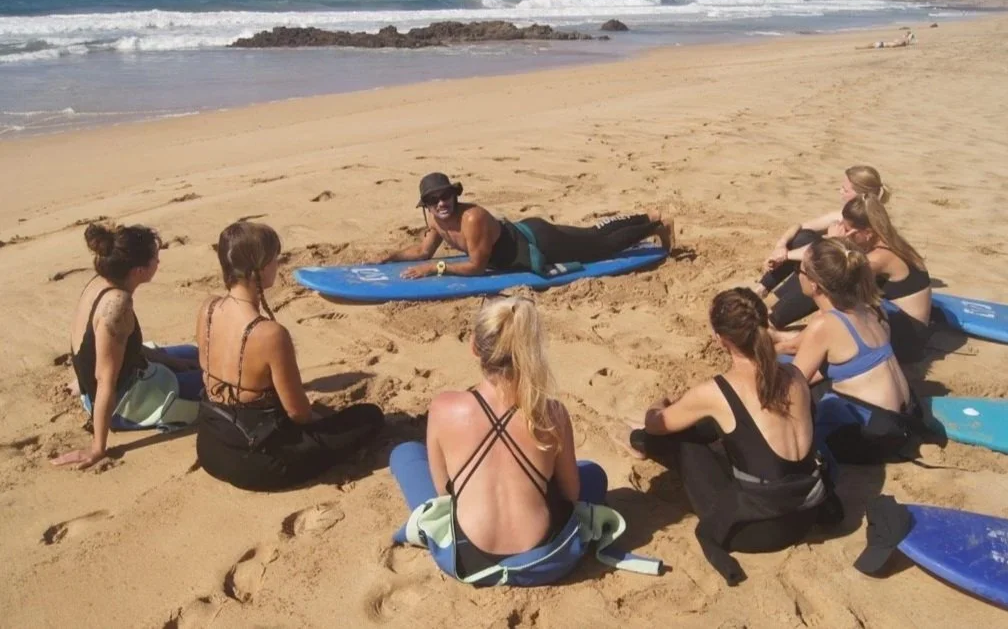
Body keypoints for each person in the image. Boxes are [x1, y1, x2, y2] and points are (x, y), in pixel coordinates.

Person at [389, 296, 660, 586]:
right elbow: (571, 494)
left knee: (405, 453)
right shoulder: (551, 413)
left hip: (464, 559)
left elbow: (444, 492)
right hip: (548, 560)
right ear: (529, 352)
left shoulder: (444, 407)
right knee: (592, 473)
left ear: (474, 347)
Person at [627, 288, 839, 585]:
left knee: (677, 437)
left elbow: (655, 424)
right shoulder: (795, 376)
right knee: (724, 429)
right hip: (806, 513)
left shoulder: (717, 391)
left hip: (756, 530)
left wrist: (659, 403)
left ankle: (638, 445)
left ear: (720, 339)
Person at [195, 221, 384, 491]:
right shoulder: (269, 334)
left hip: (211, 446)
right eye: (275, 260)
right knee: (369, 417)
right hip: (258, 462)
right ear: (259, 270)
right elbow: (299, 414)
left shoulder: (208, 308)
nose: (278, 266)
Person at [54, 223, 204, 470]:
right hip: (122, 404)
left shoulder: (102, 281)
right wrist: (98, 448)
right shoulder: (116, 304)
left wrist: (170, 361)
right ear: (138, 271)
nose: (158, 262)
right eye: (155, 258)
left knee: (197, 355)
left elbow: (115, 344)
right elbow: (106, 379)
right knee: (221, 382)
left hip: (126, 374)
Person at [777, 238, 928, 465]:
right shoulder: (869, 306)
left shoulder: (826, 324)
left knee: (784, 390)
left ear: (815, 285)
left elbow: (794, 386)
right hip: (906, 418)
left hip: (872, 438)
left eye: (800, 270)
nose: (797, 274)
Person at [379, 173, 674, 279]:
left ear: (454, 195)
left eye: (445, 196)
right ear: (427, 206)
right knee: (592, 234)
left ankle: (656, 225)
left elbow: (476, 267)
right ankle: (644, 216)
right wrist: (391, 257)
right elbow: (422, 250)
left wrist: (436, 269)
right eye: (433, 200)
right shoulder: (435, 220)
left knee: (600, 246)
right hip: (528, 229)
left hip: (537, 243)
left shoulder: (473, 219)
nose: (441, 203)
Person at [760, 164, 890, 329]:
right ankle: (763, 289)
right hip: (847, 280)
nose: (840, 192)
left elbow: (830, 260)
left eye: (845, 189)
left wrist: (787, 255)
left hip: (862, 293)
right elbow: (800, 226)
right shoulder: (846, 217)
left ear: (860, 195)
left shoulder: (864, 229)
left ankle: (774, 317)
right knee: (803, 237)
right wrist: (781, 246)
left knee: (821, 273)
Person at [840, 194, 931, 363]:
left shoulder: (881, 257)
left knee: (830, 284)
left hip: (908, 340)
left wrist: (836, 241)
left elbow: (835, 273)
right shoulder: (892, 240)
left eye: (848, 230)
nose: (845, 233)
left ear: (867, 233)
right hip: (910, 327)